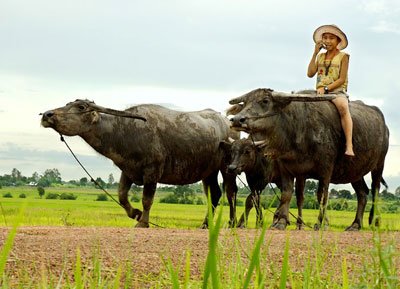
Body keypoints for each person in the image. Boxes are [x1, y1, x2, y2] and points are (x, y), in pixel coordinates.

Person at [307, 24, 355, 157]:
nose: (327, 41)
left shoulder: (344, 57)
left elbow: (341, 79)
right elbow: (310, 73)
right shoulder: (320, 56)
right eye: (325, 38)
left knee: (343, 108)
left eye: (331, 38)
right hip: (319, 92)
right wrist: (315, 53)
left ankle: (349, 145)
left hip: (336, 91)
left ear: (338, 41)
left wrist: (327, 88)